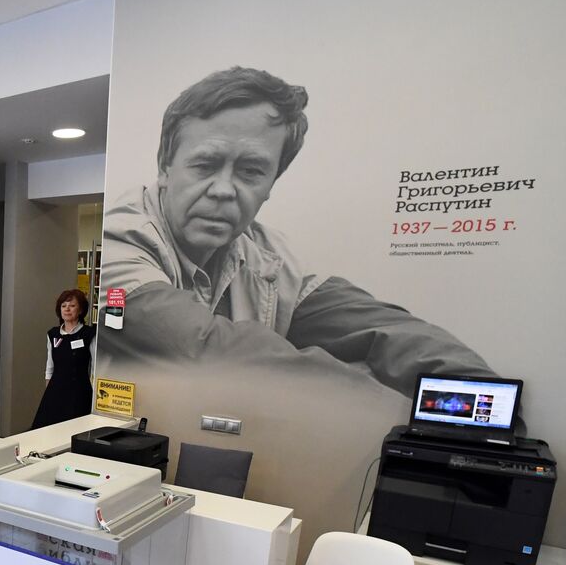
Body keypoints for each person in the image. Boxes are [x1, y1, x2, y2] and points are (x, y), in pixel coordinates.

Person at [100, 66, 496, 397]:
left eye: (250, 172)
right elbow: (201, 349)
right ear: (165, 168)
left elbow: (384, 331)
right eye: (205, 165)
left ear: (272, 184)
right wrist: (379, 398)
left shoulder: (268, 257)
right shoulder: (121, 236)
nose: (223, 190)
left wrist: (481, 403)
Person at [31, 289, 98, 429]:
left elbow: (94, 368)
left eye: (72, 306)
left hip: (80, 391)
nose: (67, 309)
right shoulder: (53, 334)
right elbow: (49, 367)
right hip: (56, 391)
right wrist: (49, 393)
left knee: (75, 430)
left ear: (80, 310)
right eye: (63, 306)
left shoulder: (89, 334)